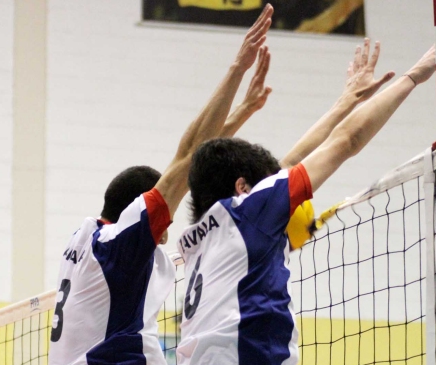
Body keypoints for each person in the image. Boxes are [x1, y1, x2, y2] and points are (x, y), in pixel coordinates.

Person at [176, 19, 436, 365]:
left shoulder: (200, 240)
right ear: (243, 188)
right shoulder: (249, 211)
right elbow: (347, 141)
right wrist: (414, 76)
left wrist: (346, 102)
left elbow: (290, 163)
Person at [47, 5, 274, 365]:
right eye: (164, 217)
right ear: (136, 208)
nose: (168, 225)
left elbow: (189, 163)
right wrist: (237, 69)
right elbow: (189, 158)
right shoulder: (120, 246)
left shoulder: (87, 238)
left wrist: (243, 111)